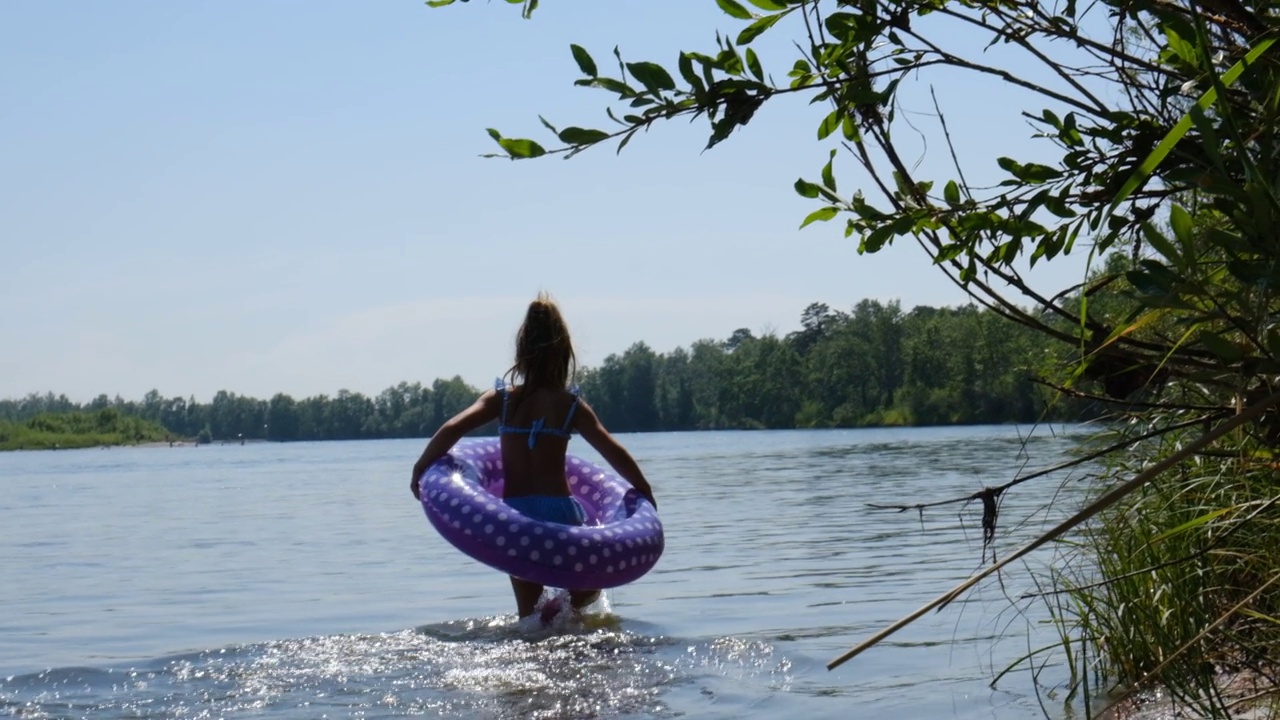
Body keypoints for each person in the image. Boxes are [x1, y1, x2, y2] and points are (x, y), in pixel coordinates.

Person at [410, 293, 657, 620]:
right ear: (564, 352)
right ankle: (571, 615)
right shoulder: (570, 406)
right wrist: (644, 489)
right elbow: (612, 450)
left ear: (522, 350)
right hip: (562, 512)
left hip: (518, 518)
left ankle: (539, 629)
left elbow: (452, 428)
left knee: (529, 616)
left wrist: (420, 469)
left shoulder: (504, 400)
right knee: (584, 593)